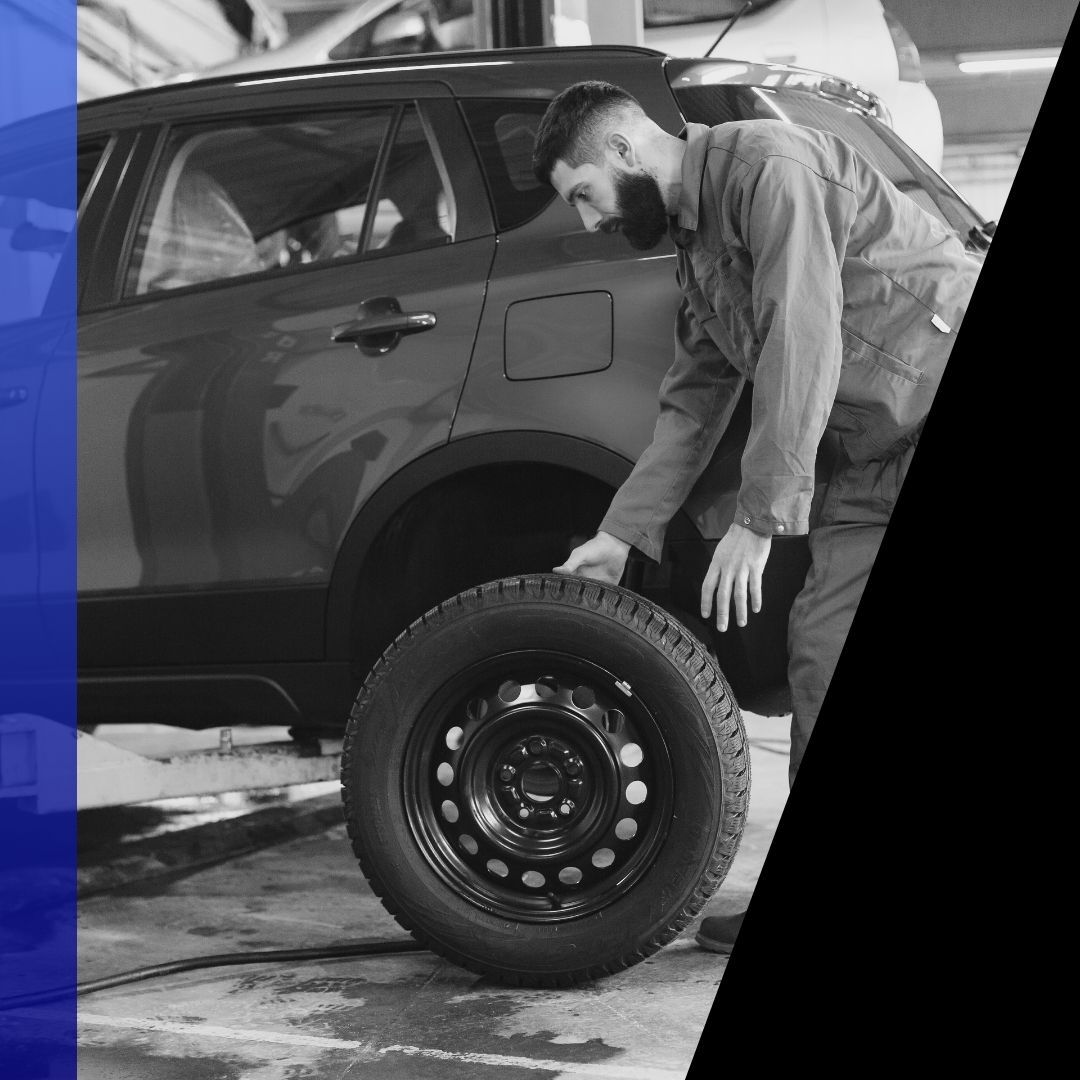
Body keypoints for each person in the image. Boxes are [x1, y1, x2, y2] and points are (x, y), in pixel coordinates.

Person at [531, 81, 980, 954]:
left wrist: (761, 517)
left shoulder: (765, 168)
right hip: (863, 458)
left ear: (625, 151)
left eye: (581, 192)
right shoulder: (695, 250)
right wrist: (621, 534)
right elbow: (696, 401)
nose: (586, 220)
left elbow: (802, 334)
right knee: (821, 656)